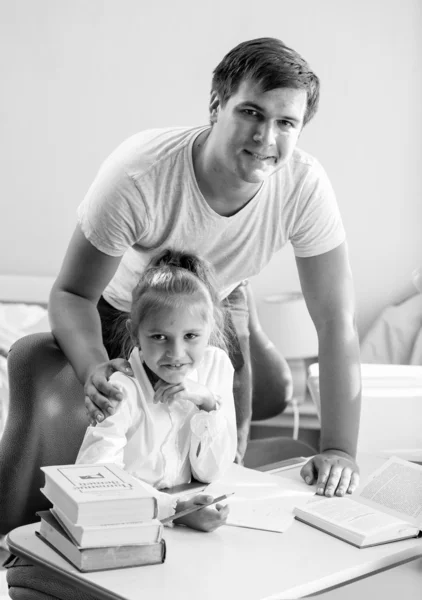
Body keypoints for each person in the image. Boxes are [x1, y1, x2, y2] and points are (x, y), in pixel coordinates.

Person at [49, 36, 362, 496]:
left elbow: (337, 321)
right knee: (134, 452)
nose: (265, 138)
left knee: (217, 462)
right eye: (251, 113)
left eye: (285, 123)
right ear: (216, 105)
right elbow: (72, 294)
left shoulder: (303, 187)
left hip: (218, 299)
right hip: (130, 308)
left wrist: (339, 449)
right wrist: (94, 366)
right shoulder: (139, 175)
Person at [76, 248, 237, 532]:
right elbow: (94, 480)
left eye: (190, 336)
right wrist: (173, 509)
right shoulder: (121, 388)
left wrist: (207, 403)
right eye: (159, 337)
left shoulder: (214, 367)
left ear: (208, 330)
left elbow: (212, 472)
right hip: (129, 528)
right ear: (135, 333)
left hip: (188, 531)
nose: (176, 354)